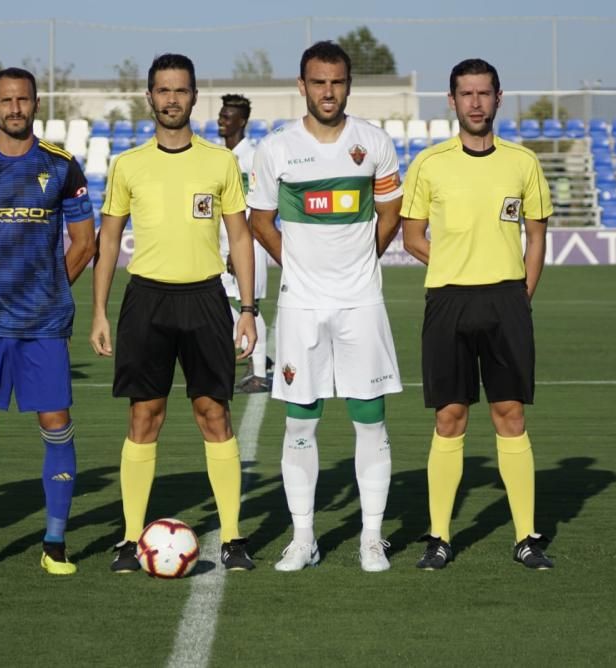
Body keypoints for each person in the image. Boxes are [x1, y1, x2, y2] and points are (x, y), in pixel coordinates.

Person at [90, 53, 258, 573]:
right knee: (145, 415)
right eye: (162, 90)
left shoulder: (220, 162)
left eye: (180, 91)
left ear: (193, 97)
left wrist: (247, 309)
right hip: (147, 300)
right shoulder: (128, 165)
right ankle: (128, 537)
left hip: (206, 299)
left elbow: (240, 235)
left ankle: (231, 537)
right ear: (150, 97)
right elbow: (110, 237)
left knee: (214, 413)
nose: (171, 99)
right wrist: (99, 309)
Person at [248, 41, 404, 573]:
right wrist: (296, 265)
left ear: (349, 85)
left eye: (336, 82)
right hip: (302, 305)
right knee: (300, 422)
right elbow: (260, 221)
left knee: (370, 420)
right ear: (302, 86)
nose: (328, 91)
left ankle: (371, 537)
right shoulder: (276, 149)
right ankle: (304, 537)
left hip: (361, 300)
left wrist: (362, 260)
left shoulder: (374, 143)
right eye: (318, 82)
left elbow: (391, 213)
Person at [400, 58, 554, 570]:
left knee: (510, 414)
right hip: (447, 300)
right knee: (450, 416)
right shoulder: (429, 163)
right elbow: (412, 235)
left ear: (497, 98)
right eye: (465, 94)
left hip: (506, 301)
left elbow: (536, 238)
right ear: (451, 101)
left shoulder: (522, 162)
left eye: (483, 93)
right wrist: (450, 263)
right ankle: (439, 537)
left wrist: (520, 296)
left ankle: (526, 537)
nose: (475, 103)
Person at [0, 67, 95, 576]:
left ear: (34, 104)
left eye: (23, 100)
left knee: (55, 424)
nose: (15, 108)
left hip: (43, 326)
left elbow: (85, 242)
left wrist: (50, 290)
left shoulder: (62, 167)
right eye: (5, 100)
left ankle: (54, 543)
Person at [217, 93, 273, 393]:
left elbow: (256, 204)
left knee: (252, 306)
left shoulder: (253, 156)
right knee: (218, 300)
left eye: (227, 117)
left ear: (242, 122)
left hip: (248, 241)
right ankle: (260, 355)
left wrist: (243, 245)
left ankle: (260, 373)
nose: (221, 121)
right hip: (221, 243)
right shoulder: (218, 155)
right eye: (221, 115)